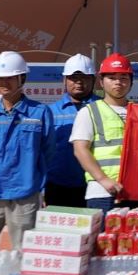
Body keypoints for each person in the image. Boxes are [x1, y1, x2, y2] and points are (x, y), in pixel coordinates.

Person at [0, 51, 54, 249]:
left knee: (24, 250)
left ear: (21, 79)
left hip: (24, 191)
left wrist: (36, 183)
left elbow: (48, 151)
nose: (3, 83)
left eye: (9, 78)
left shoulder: (40, 112)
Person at [73, 53, 134, 213]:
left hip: (136, 191)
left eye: (123, 78)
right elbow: (80, 149)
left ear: (131, 82)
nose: (118, 82)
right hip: (103, 192)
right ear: (101, 82)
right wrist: (103, 179)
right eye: (112, 78)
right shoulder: (89, 111)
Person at [44, 54, 97, 208]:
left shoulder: (103, 108)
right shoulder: (50, 112)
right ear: (64, 80)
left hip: (94, 185)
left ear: (93, 80)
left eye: (84, 77)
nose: (79, 82)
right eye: (73, 78)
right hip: (57, 186)